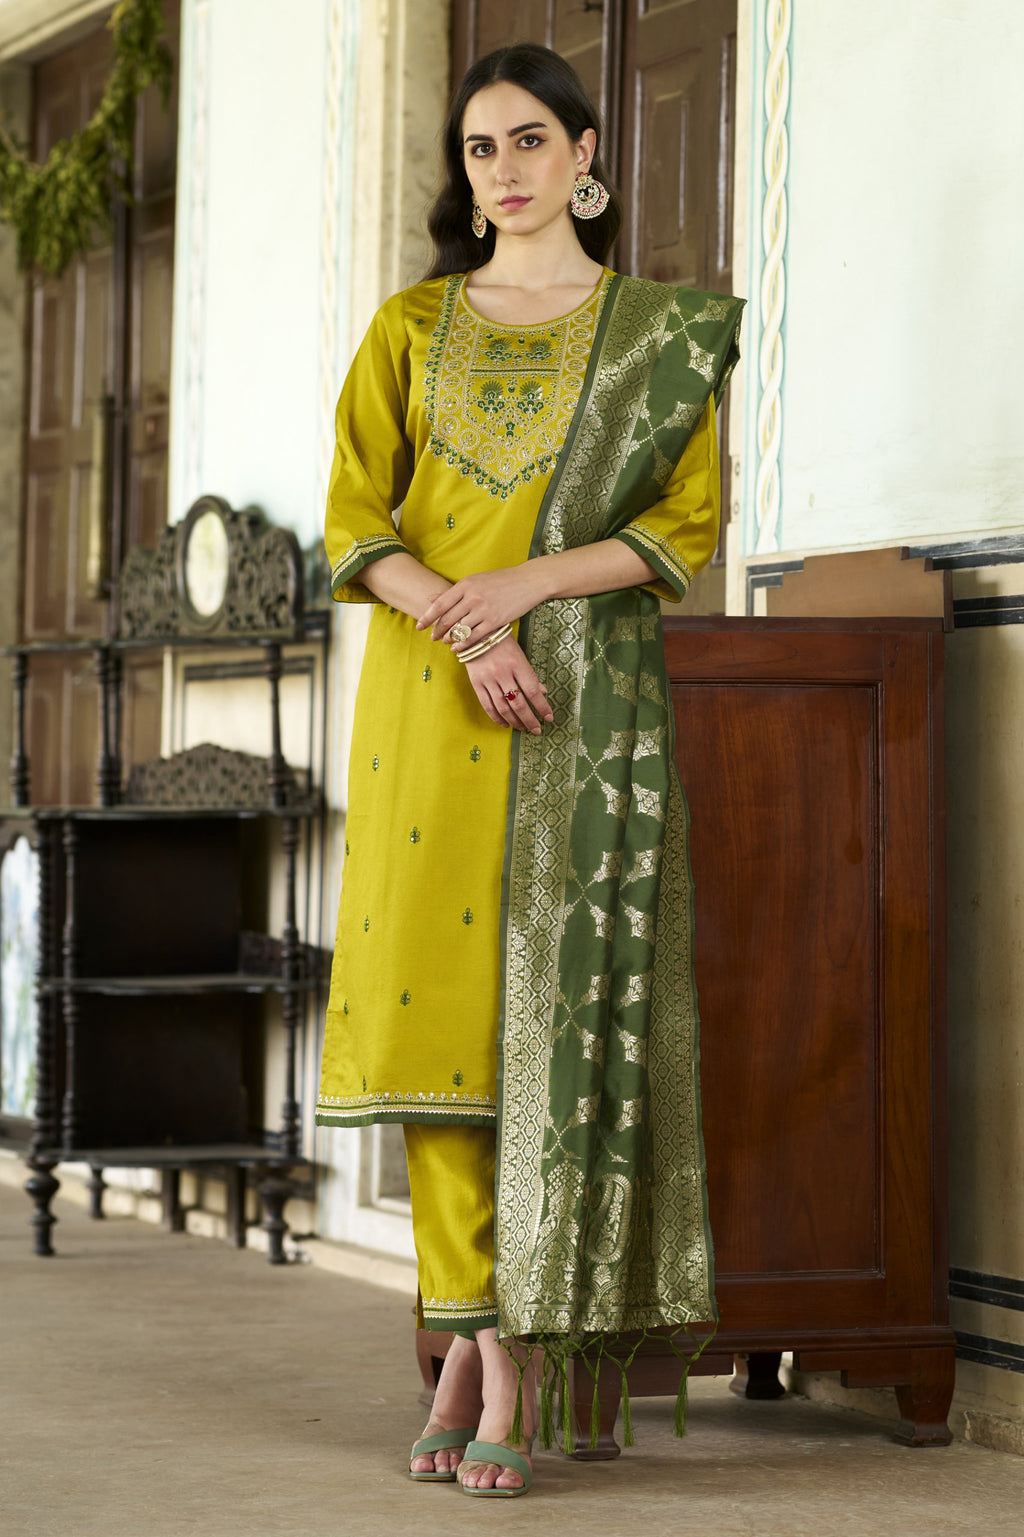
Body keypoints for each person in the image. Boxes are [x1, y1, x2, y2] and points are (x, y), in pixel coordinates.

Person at [316, 42, 743, 1499]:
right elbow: (352, 524)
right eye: (477, 147)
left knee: (548, 1021)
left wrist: (524, 593)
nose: (499, 169)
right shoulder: (412, 329)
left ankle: (499, 1349)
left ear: (585, 155)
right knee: (441, 1041)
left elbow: (680, 529)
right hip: (430, 702)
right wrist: (461, 614)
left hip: (585, 705)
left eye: (525, 141)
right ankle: (491, 1343)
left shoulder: (654, 337)